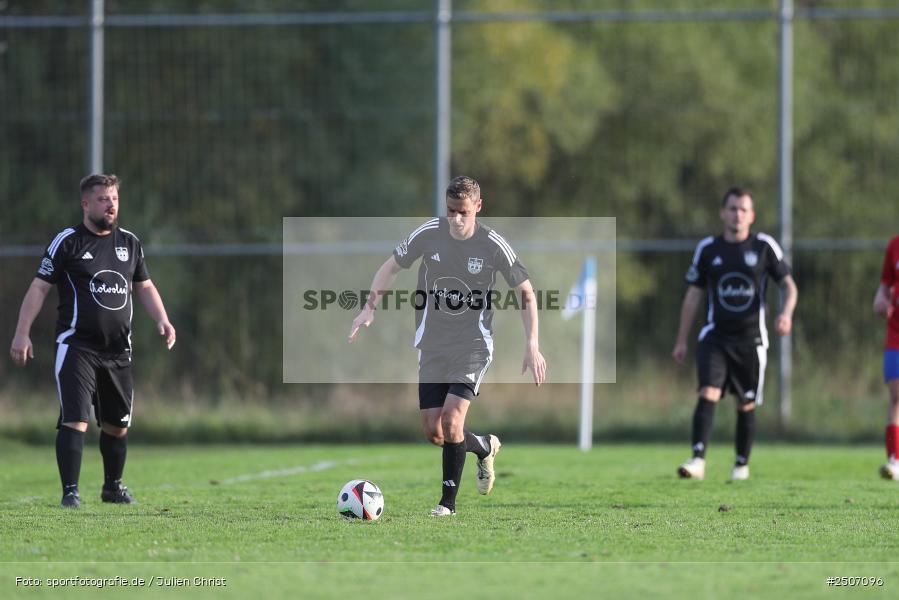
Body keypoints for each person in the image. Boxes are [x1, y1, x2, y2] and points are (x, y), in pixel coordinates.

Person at [348, 175, 547, 516]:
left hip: (473, 345)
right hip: (432, 345)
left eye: (463, 212)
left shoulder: (493, 245)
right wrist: (369, 307)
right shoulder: (429, 233)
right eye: (451, 210)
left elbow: (526, 292)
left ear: (478, 208)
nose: (456, 219)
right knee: (435, 432)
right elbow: (390, 267)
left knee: (453, 420)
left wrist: (533, 343)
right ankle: (484, 446)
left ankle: (447, 506)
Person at [9, 174, 176, 508]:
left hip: (118, 351)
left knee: (116, 426)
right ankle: (70, 491)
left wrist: (162, 319)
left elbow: (143, 285)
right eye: (102, 199)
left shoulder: (130, 243)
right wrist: (22, 332)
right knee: (76, 418)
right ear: (85, 204)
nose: (110, 205)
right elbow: (40, 286)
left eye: (113, 198)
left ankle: (112, 487)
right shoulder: (68, 242)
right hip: (77, 347)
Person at [672, 187, 797, 481]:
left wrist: (786, 314)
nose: (737, 214)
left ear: (751, 215)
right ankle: (698, 459)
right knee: (708, 393)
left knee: (745, 403)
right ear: (722, 212)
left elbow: (789, 286)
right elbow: (693, 296)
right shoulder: (708, 249)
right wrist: (681, 340)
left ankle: (741, 464)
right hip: (715, 337)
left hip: (751, 341)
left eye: (743, 209)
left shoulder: (764, 247)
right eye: (732, 208)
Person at [874, 235, 899, 479]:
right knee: (896, 395)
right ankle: (895, 460)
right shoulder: (894, 245)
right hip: (896, 332)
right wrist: (880, 299)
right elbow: (885, 284)